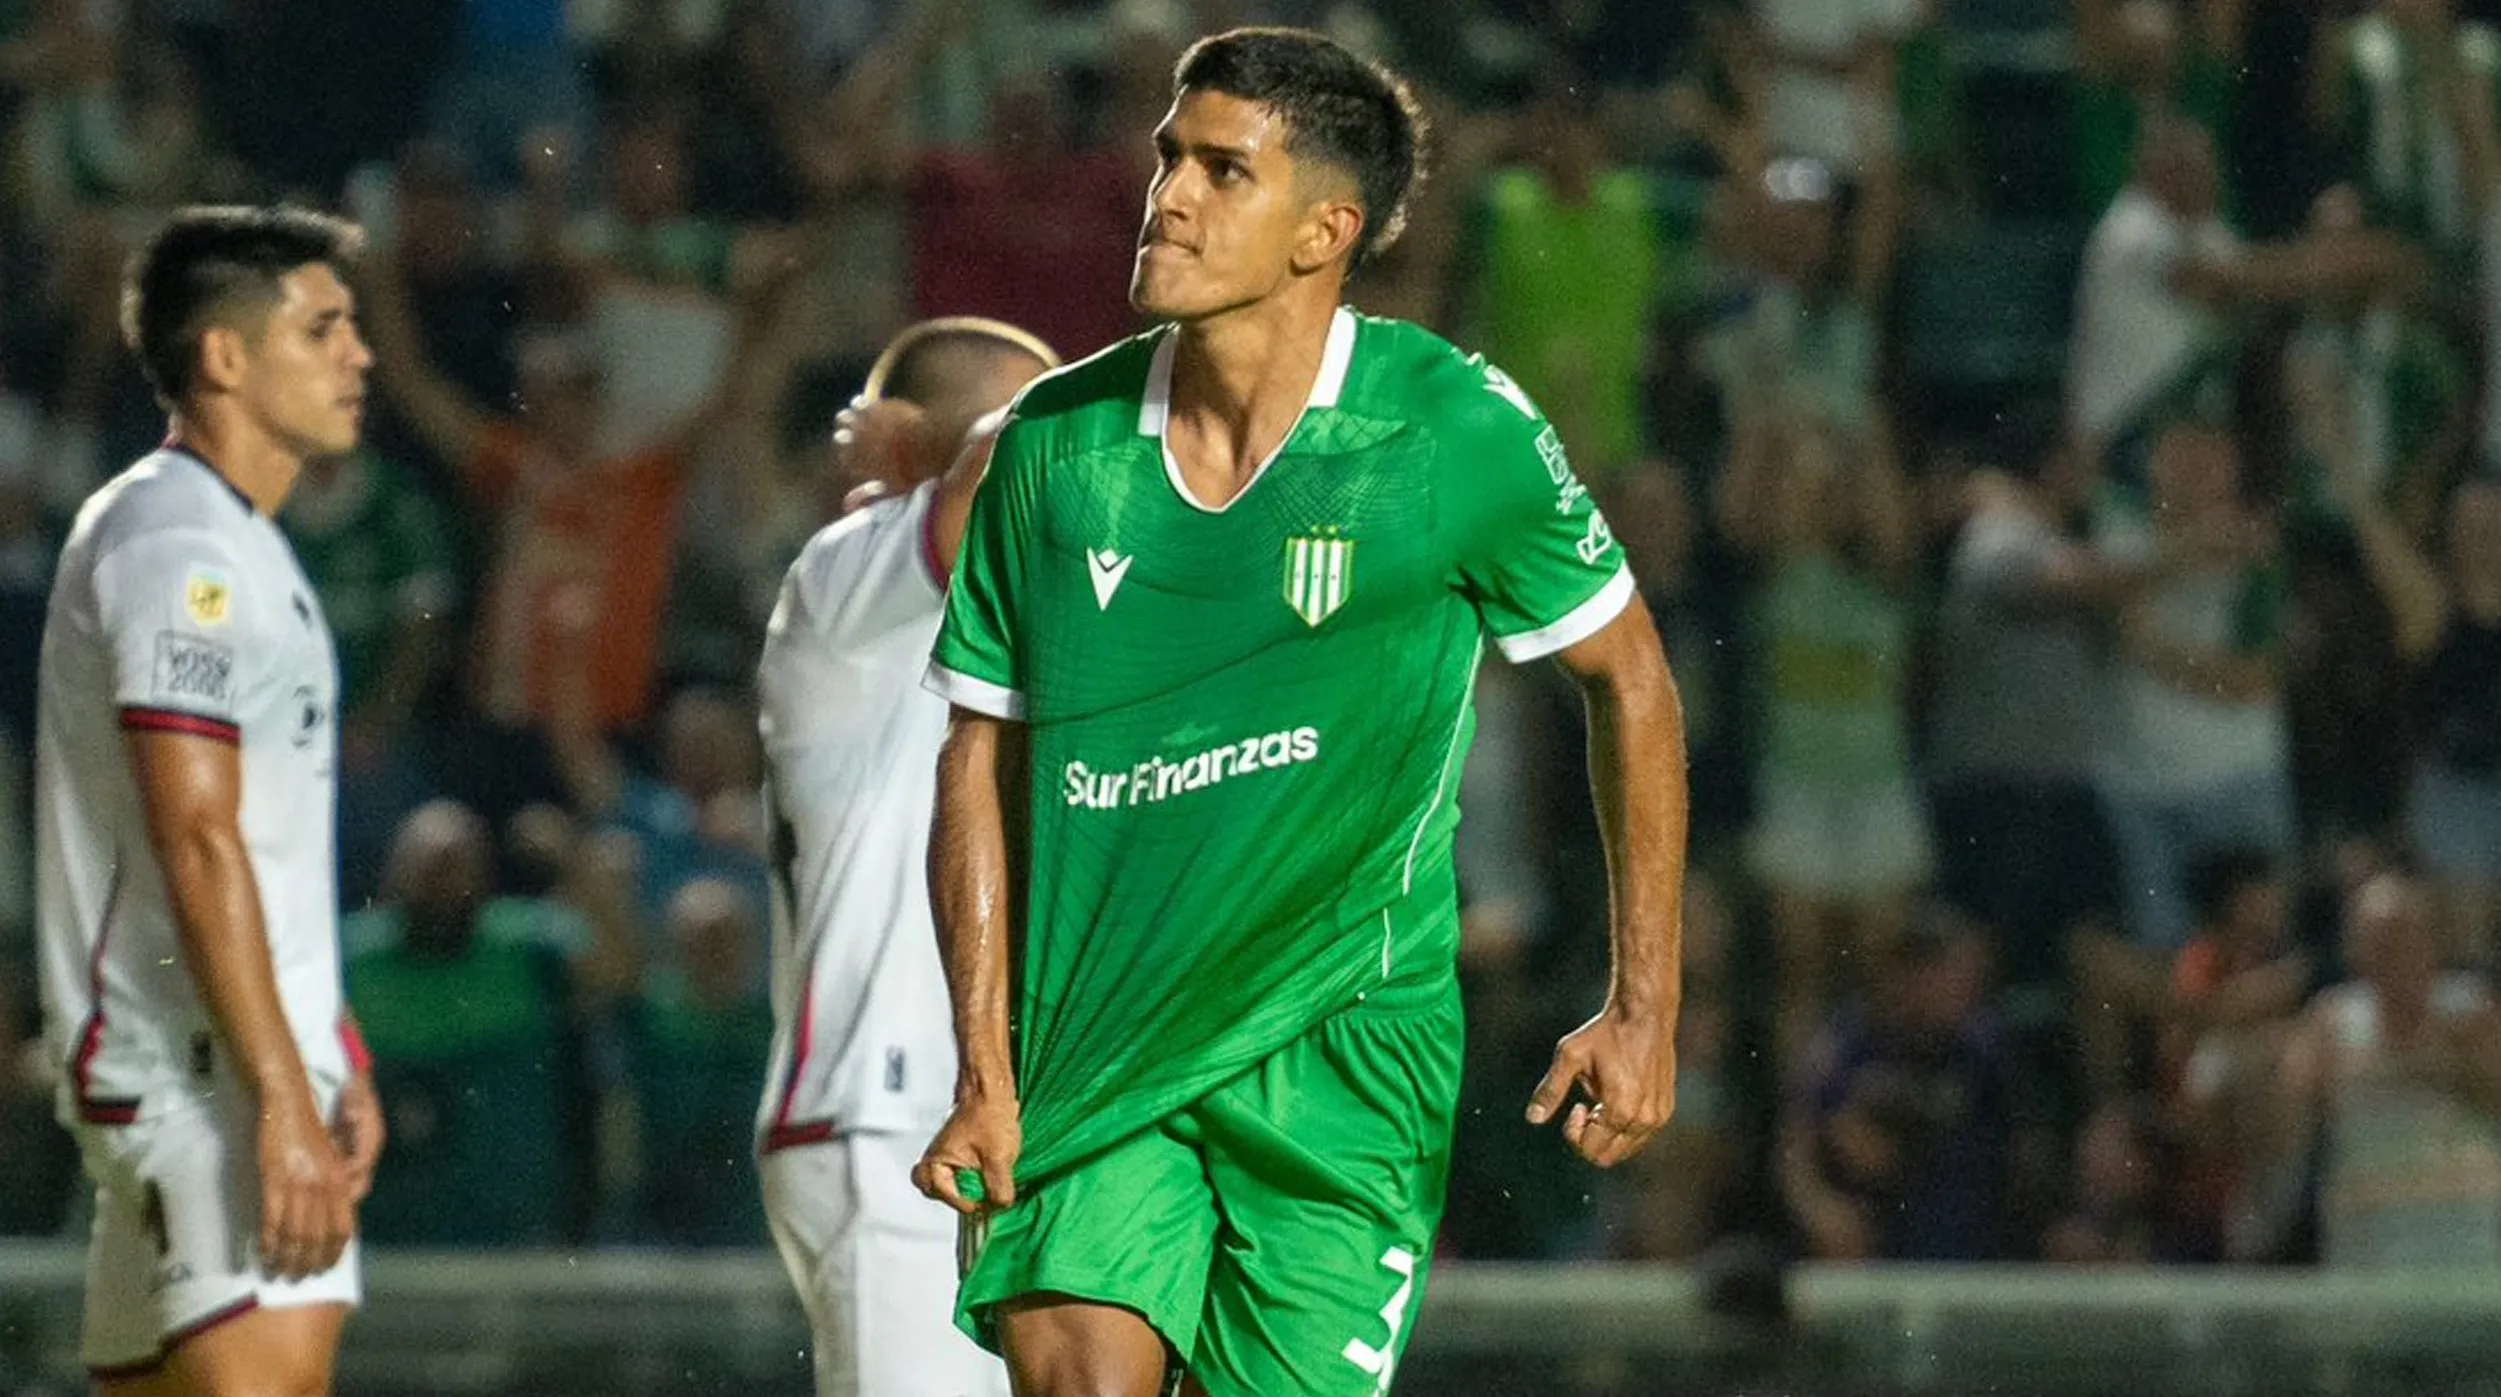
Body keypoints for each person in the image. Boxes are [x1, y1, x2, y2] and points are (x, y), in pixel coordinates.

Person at [915, 29, 1690, 1395]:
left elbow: (1628, 679)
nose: (1168, 194)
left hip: (1343, 1057)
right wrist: (986, 1065)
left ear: (1323, 231)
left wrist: (1644, 1006)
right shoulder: (1048, 448)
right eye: (1169, 155)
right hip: (1098, 1044)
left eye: (1223, 170)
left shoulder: (1451, 434)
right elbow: (980, 756)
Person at [32, 205, 385, 1394]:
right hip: (208, 1078)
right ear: (224, 357)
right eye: (323, 327)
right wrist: (283, 1095)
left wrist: (334, 1049)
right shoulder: (178, 543)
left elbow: (259, 840)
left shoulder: (232, 541)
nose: (360, 354)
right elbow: (196, 835)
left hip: (224, 1064)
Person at [754, 316, 1058, 1397]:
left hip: (977, 1125)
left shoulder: (1039, 626)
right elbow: (991, 470)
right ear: (890, 440)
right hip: (880, 1118)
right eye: (1021, 409)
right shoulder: (849, 573)